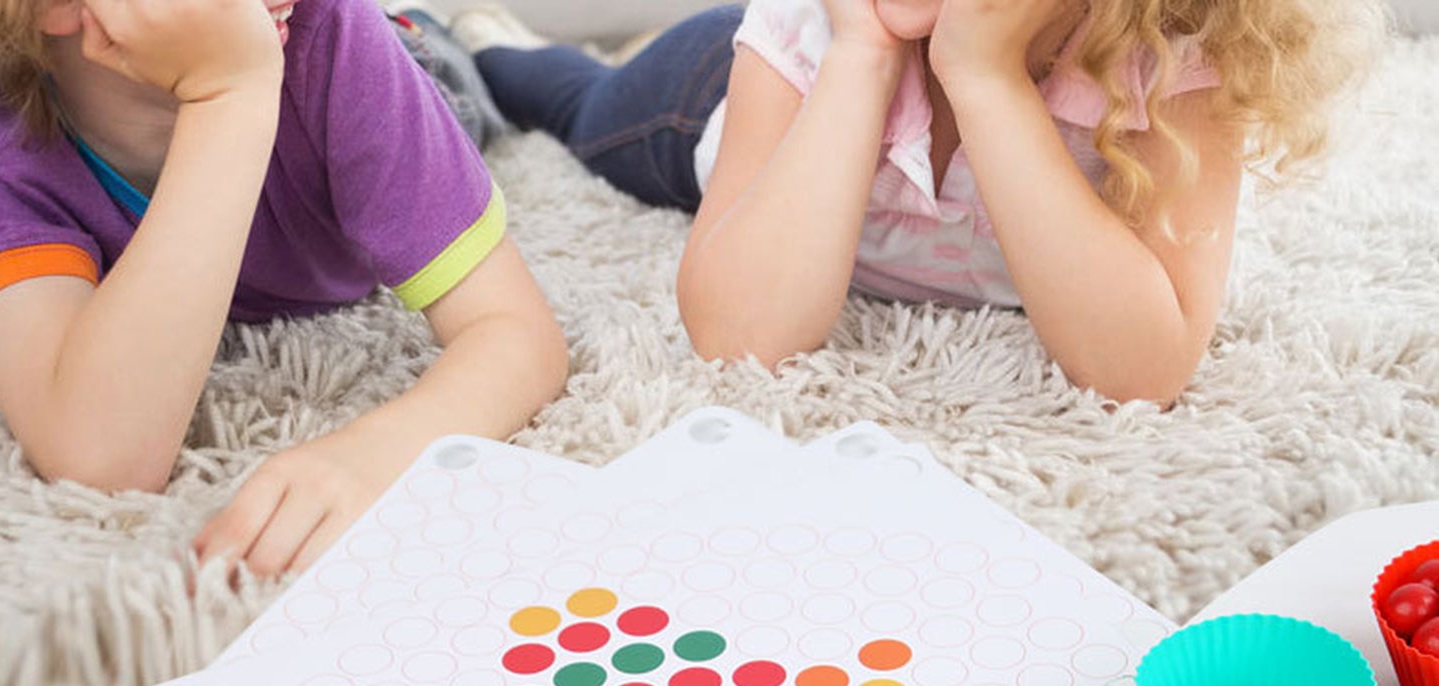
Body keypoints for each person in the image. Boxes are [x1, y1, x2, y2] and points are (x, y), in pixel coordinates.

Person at [463, 0, 1386, 404]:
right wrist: (862, 53)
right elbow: (738, 338)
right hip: (697, 97)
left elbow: (1143, 369)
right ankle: (480, 39)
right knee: (578, 104)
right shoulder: (807, 27)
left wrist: (983, 77)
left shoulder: (1176, 58)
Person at [0, 0, 568, 576]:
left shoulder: (328, 29)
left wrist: (379, 455)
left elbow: (515, 331)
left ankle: (480, 39)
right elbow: (99, 455)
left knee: (481, 82)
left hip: (418, 69)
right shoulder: (10, 153)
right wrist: (227, 95)